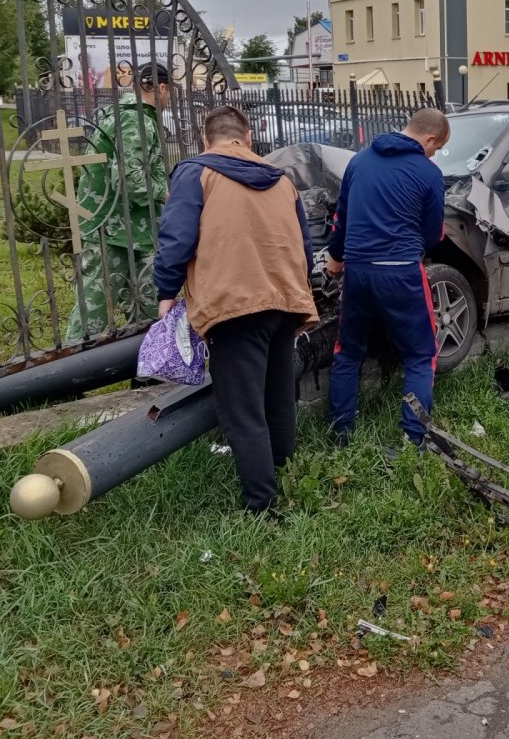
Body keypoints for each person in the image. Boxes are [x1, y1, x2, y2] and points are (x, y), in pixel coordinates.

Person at [153, 105, 318, 517]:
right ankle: (283, 469)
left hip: (234, 303)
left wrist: (166, 291)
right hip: (286, 299)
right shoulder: (282, 180)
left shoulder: (196, 172)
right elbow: (306, 244)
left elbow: (177, 237)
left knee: (242, 410)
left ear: (207, 141)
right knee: (278, 397)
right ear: (247, 139)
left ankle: (261, 506)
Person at [326, 108, 451, 450]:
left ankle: (340, 435)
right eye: (436, 147)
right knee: (420, 356)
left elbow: (342, 217)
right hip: (401, 273)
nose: (434, 153)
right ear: (429, 139)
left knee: (348, 352)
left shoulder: (360, 161)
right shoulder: (428, 172)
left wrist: (336, 259)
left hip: (357, 271)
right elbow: (433, 233)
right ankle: (413, 438)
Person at [66, 60, 169, 341]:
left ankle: (148, 365)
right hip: (112, 229)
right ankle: (72, 373)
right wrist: (166, 193)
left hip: (126, 228)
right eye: (169, 91)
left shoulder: (120, 114)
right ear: (161, 88)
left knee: (146, 300)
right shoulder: (135, 120)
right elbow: (129, 180)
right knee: (94, 307)